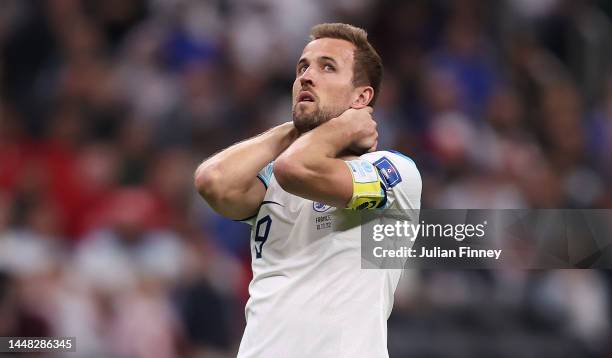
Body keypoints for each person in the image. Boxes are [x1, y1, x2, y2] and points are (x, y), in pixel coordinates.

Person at [194, 23, 421, 358]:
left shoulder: (394, 172)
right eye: (303, 67)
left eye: (327, 67)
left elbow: (296, 169)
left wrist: (333, 127)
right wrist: (293, 129)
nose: (307, 76)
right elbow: (211, 180)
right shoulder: (273, 179)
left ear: (362, 97)